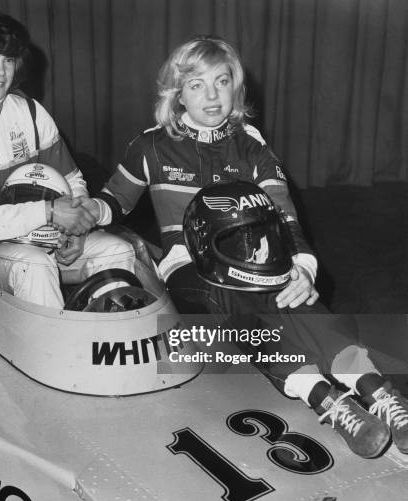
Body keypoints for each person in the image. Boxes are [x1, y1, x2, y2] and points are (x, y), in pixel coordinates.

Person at [81, 35, 408, 458]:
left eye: (222, 81)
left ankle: (378, 391)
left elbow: (285, 215)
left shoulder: (249, 143)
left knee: (297, 299)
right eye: (197, 84)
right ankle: (330, 400)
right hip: (191, 271)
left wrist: (303, 270)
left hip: (255, 260)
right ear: (177, 92)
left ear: (235, 86)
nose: (212, 95)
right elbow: (114, 201)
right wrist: (84, 213)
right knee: (239, 305)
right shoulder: (150, 146)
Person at [0, 9, 134, 308]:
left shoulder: (30, 112)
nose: (1, 72)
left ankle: (111, 347)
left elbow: (72, 180)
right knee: (35, 265)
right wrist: (48, 212)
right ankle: (54, 352)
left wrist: (76, 229)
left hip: (46, 236)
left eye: (8, 60)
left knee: (118, 251)